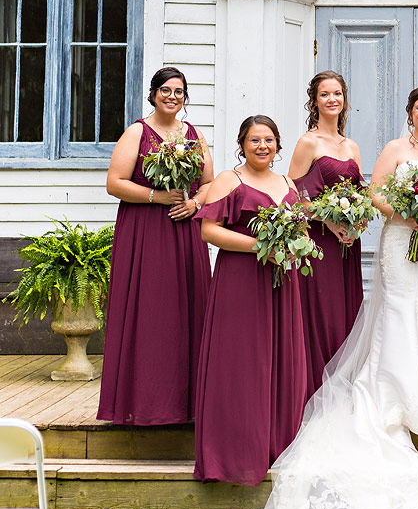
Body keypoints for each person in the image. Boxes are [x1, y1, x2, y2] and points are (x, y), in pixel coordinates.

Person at [262, 85, 418, 509]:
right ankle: (398, 395)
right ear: (410, 113)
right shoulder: (393, 149)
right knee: (402, 314)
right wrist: (407, 213)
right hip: (402, 243)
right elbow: (376, 194)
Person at [193, 116, 308, 485]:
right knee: (241, 363)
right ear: (242, 143)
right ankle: (235, 453)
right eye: (255, 140)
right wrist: (262, 246)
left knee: (280, 359)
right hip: (240, 282)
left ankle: (277, 445)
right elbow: (209, 230)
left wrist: (292, 245)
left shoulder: (287, 182)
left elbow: (301, 228)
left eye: (269, 140)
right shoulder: (230, 180)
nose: (263, 146)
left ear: (278, 145)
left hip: (282, 282)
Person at [97, 66, 213, 425]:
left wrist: (194, 204)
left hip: (185, 231)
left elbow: (210, 183)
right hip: (145, 232)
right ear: (153, 93)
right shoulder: (137, 132)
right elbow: (114, 183)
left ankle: (188, 403)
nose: (172, 97)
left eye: (179, 91)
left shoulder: (194, 135)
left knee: (187, 308)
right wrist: (155, 196)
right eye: (166, 90)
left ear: (185, 97)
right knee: (150, 311)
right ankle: (144, 402)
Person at [288, 71, 364, 398]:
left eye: (337, 93)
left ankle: (342, 388)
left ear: (344, 99)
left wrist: (356, 224)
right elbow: (291, 194)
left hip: (348, 244)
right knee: (322, 312)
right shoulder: (308, 142)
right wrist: (328, 221)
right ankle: (315, 389)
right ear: (315, 101)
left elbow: (359, 194)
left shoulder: (352, 146)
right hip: (319, 244)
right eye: (325, 94)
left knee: (345, 314)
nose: (332, 99)